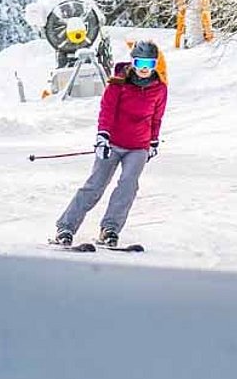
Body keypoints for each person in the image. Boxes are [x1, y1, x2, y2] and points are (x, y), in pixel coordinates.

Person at [53, 38, 167, 248]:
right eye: (141, 64)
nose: (144, 69)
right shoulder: (117, 84)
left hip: (138, 147)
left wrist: (153, 141)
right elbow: (107, 111)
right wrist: (102, 137)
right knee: (95, 185)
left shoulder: (159, 88)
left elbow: (157, 117)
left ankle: (110, 229)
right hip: (113, 143)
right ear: (133, 62)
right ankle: (66, 227)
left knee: (128, 186)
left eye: (149, 64)